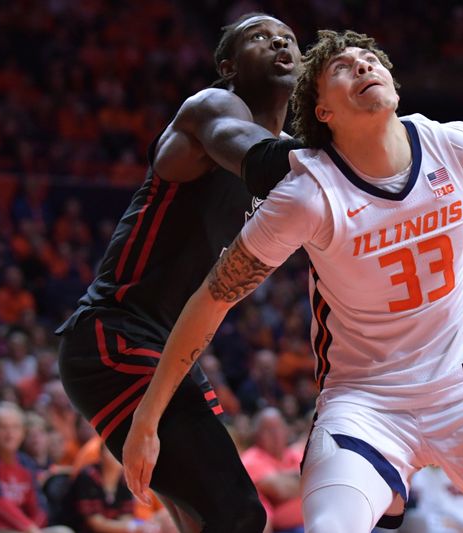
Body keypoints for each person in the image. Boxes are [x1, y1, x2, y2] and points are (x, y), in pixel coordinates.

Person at [122, 29, 463, 533]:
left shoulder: (452, 143)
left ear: (393, 84)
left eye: (369, 60)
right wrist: (148, 417)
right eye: (342, 68)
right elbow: (212, 299)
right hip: (365, 403)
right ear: (322, 112)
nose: (362, 67)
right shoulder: (308, 194)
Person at [54, 13, 303, 533]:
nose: (279, 40)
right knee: (236, 514)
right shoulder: (215, 108)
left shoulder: (294, 160)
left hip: (170, 347)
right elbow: (259, 157)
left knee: (202, 521)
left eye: (289, 38)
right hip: (117, 333)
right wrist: (380, 160)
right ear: (228, 66)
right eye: (260, 36)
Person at [0, 402, 73, 533]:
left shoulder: (27, 463)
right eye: (3, 427)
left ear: (23, 433)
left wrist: (33, 527)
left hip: (24, 529)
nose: (10, 434)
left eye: (15, 427)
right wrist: (28, 528)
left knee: (62, 531)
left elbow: (38, 506)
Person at [240, 408, 304, 533]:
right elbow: (281, 490)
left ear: (286, 430)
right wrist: (303, 477)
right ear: (256, 435)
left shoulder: (296, 453)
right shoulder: (251, 459)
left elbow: (321, 481)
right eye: (268, 429)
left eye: (279, 427)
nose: (275, 434)